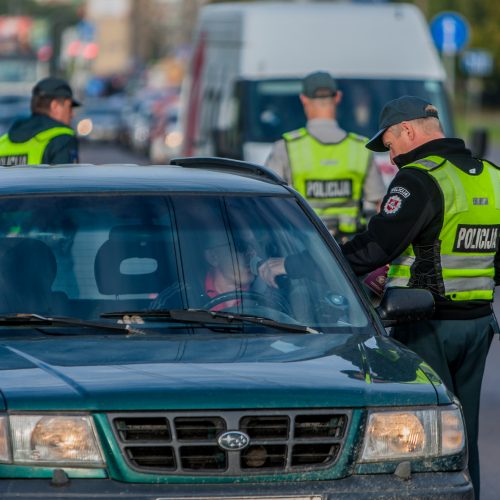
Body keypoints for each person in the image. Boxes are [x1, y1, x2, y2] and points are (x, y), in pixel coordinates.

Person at [339, 95, 500, 498]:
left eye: (390, 144)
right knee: (463, 434)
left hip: (425, 326)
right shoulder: (491, 176)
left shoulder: (419, 178)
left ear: (408, 130)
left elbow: (377, 247)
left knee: (422, 437)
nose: (391, 157)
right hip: (478, 326)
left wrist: (328, 266)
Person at [265, 71, 385, 240]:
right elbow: (380, 204)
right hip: (349, 251)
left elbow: (269, 202)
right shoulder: (360, 148)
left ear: (303, 99)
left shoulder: (285, 147)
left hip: (302, 247)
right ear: (337, 97)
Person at [150, 235, 282, 312]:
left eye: (254, 246)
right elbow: (148, 338)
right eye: (240, 246)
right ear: (213, 257)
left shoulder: (271, 299)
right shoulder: (176, 298)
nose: (251, 253)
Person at [0, 76, 80, 166]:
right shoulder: (63, 139)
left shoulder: (3, 141)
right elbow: (65, 179)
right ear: (55, 106)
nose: (72, 114)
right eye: (69, 107)